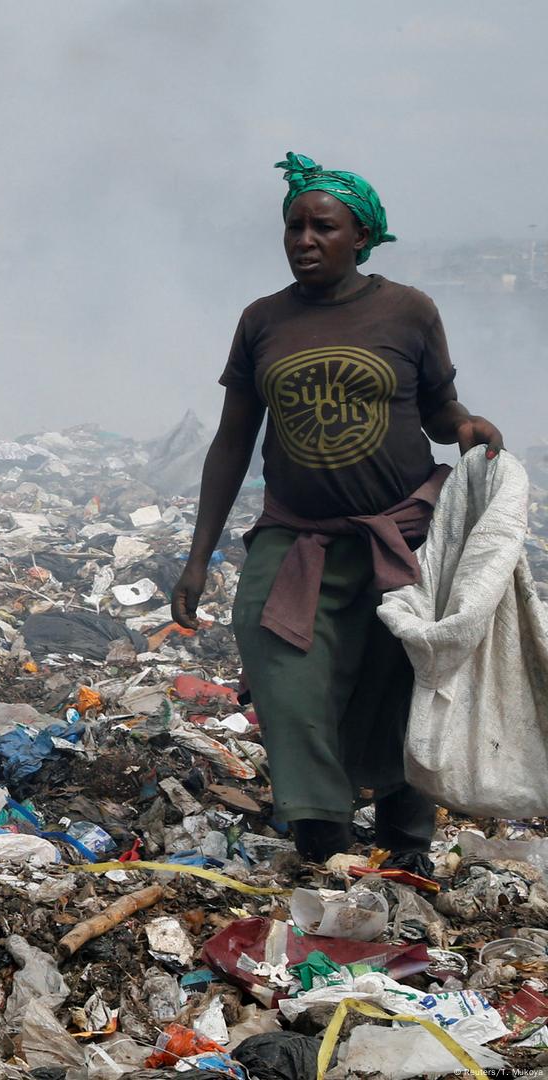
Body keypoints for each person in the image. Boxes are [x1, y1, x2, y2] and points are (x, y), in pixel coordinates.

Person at [170, 152, 503, 873]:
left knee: (402, 684)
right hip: (297, 538)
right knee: (282, 667)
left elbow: (440, 409)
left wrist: (468, 426)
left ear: (363, 235)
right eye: (294, 226)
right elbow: (233, 442)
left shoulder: (408, 310)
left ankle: (405, 842)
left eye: (323, 227)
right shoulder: (263, 321)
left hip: (400, 534)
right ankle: (322, 835)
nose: (304, 240)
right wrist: (199, 558)